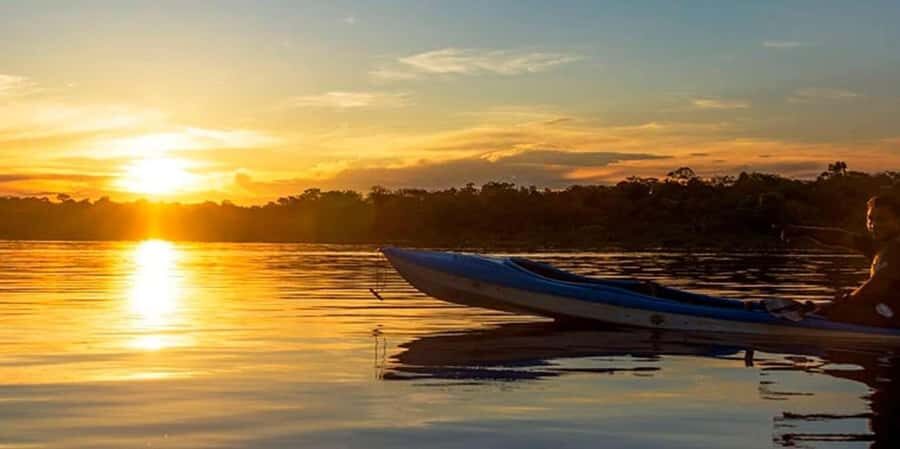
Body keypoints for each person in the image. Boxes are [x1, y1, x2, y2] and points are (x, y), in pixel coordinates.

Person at [774, 194, 900, 327]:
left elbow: (875, 287)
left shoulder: (896, 249)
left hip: (894, 317)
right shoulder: (879, 245)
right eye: (870, 219)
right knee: (834, 306)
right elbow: (839, 237)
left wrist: (838, 304)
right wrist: (803, 231)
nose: (873, 225)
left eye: (882, 219)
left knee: (840, 310)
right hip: (886, 309)